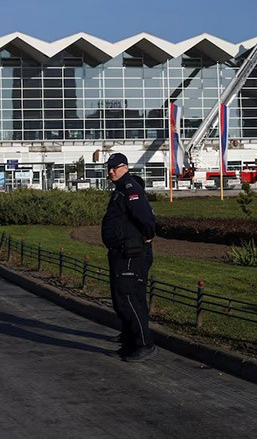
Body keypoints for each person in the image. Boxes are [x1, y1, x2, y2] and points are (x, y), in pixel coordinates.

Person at [101, 153, 157, 362]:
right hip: (121, 252)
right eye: (109, 168)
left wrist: (148, 235)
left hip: (132, 253)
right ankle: (130, 341)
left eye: (115, 167)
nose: (111, 171)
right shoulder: (121, 190)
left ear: (125, 167)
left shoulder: (130, 189)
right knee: (120, 298)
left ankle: (144, 344)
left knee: (129, 297)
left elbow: (144, 216)